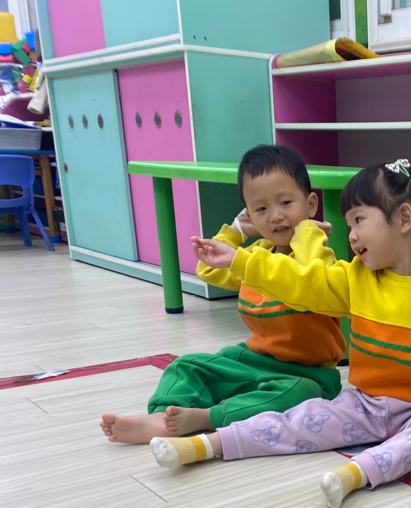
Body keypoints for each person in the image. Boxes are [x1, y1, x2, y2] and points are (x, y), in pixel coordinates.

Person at [151, 158, 411, 508]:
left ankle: (358, 472)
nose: (350, 235)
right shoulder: (355, 279)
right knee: (299, 420)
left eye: (358, 221)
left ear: (403, 219)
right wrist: (241, 261)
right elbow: (302, 281)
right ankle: (207, 445)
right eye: (349, 223)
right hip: (365, 405)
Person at [100, 144, 345, 444]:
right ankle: (161, 418)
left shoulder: (319, 257)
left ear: (310, 204)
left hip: (308, 374)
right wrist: (236, 231)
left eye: (285, 202)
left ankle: (207, 418)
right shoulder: (257, 252)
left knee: (299, 395)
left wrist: (308, 232)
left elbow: (314, 283)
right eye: (261, 209)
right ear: (250, 216)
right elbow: (210, 269)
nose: (276, 216)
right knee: (186, 365)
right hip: (254, 360)